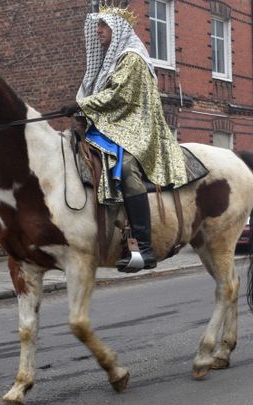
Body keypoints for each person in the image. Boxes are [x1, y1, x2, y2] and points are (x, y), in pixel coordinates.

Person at [61, 6, 188, 272]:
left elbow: (118, 96)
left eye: (104, 26)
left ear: (117, 30)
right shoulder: (112, 59)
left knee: (127, 168)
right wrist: (81, 109)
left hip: (138, 129)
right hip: (115, 127)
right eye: (98, 26)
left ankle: (144, 246)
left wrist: (81, 105)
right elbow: (101, 94)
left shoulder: (132, 58)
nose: (98, 31)